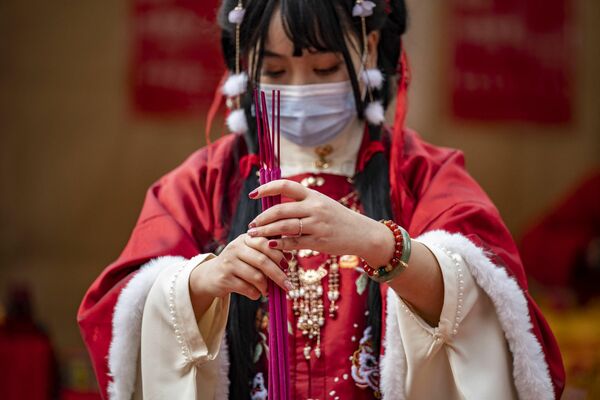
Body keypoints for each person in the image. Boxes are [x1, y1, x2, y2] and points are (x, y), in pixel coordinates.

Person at [78, 1, 565, 399]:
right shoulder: (204, 181)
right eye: (273, 70)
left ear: (370, 46)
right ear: (244, 69)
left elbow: (492, 299)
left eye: (325, 66)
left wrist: (381, 244)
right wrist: (202, 280)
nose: (299, 88)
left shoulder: (421, 174)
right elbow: (117, 314)